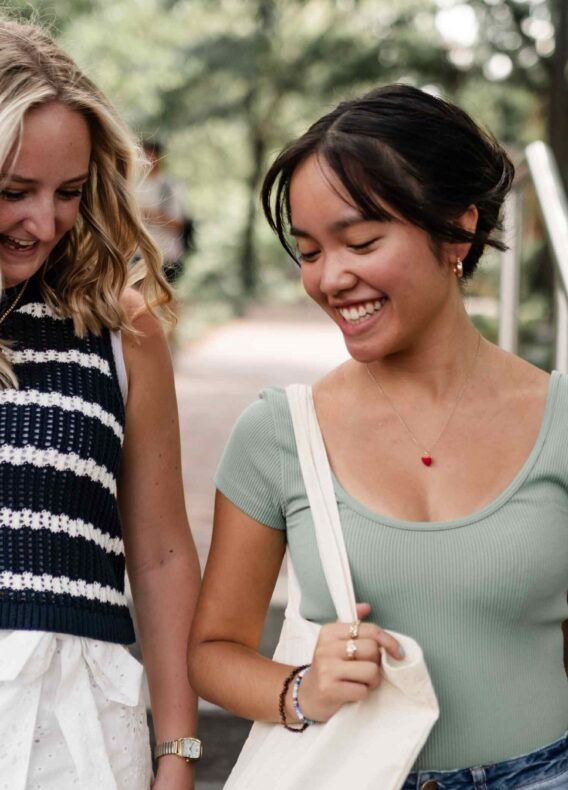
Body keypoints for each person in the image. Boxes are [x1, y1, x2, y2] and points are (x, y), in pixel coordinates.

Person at [188, 84, 568, 788]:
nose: (331, 278)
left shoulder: (561, 418)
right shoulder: (279, 432)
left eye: (361, 241)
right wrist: (300, 689)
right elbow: (214, 650)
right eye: (308, 252)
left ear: (458, 231)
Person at [0, 18, 201, 790]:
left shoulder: (120, 329)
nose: (43, 223)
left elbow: (160, 551)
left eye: (69, 193)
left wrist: (177, 752)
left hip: (80, 722)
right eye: (14, 191)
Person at [138, 139, 188, 287]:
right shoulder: (136, 186)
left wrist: (148, 214)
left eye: (150, 155)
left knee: (165, 302)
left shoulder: (170, 187)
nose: (147, 160)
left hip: (167, 257)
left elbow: (179, 224)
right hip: (140, 257)